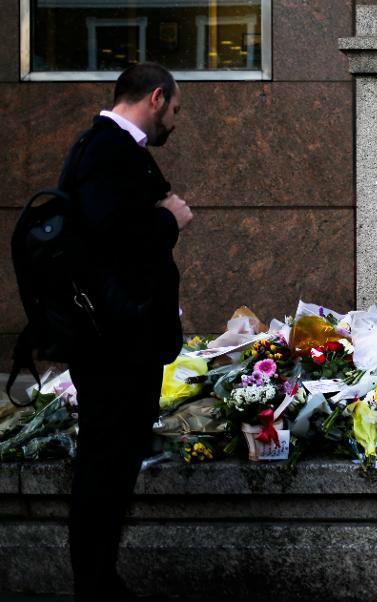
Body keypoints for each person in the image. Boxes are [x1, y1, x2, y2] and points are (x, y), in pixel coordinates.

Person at [61, 62, 193, 600]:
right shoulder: (106, 149)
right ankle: (95, 586)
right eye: (176, 109)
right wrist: (169, 220)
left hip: (123, 342)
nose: (176, 123)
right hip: (113, 345)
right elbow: (107, 235)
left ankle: (101, 581)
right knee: (103, 468)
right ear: (156, 98)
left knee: (112, 467)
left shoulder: (113, 149)